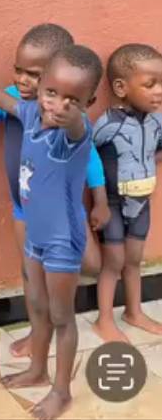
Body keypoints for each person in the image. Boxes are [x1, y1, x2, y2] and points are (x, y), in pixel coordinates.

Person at [0, 44, 103, 420]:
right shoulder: (30, 113)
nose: (58, 105)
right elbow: (2, 98)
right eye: (52, 92)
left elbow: (76, 126)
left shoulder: (74, 134)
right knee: (36, 304)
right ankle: (37, 369)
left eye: (73, 100)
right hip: (34, 234)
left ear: (89, 103)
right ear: (41, 85)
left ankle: (61, 392)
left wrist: (73, 118)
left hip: (63, 241)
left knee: (61, 317)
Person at [0, 24, 110, 358]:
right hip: (24, 210)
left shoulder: (71, 119)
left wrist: (99, 199)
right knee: (31, 275)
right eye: (19, 71)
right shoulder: (13, 100)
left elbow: (90, 157)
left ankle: (62, 312)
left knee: (93, 265)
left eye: (34, 75)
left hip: (63, 211)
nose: (23, 81)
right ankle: (37, 332)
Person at [92, 43, 162, 342]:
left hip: (142, 202)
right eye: (150, 84)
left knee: (134, 260)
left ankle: (134, 311)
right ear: (121, 87)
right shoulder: (108, 124)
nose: (159, 91)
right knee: (113, 262)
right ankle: (104, 319)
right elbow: (87, 155)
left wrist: (145, 164)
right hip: (111, 203)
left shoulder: (157, 120)